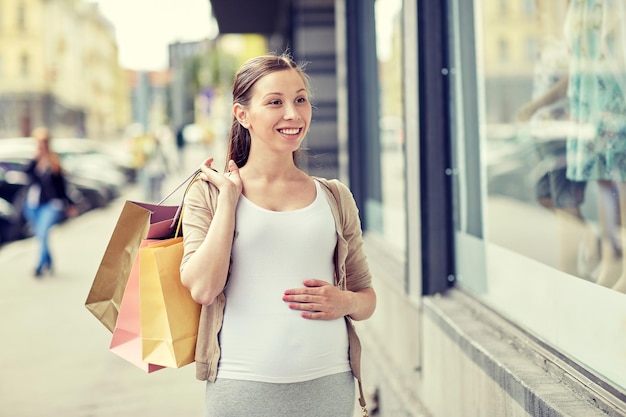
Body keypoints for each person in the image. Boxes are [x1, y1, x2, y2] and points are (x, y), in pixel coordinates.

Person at [180, 53, 377, 417]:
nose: (293, 114)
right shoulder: (208, 194)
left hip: (329, 382)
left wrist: (344, 303)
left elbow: (366, 297)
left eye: (300, 99)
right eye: (275, 102)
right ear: (243, 115)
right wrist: (229, 201)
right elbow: (203, 288)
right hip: (240, 385)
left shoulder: (334, 197)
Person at [22, 127, 77, 277]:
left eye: (43, 142)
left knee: (42, 232)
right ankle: (49, 260)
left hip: (51, 204)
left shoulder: (54, 161)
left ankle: (40, 267)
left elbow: (62, 185)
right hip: (33, 205)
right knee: (41, 235)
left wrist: (70, 204)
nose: (41, 145)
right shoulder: (34, 161)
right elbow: (26, 176)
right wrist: (35, 161)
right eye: (38, 142)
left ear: (48, 143)